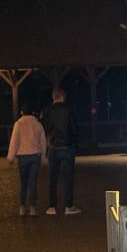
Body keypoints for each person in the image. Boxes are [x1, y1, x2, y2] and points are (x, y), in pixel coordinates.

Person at [41, 86, 81, 215]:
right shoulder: (69, 110)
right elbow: (74, 128)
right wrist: (75, 144)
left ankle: (52, 206)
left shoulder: (47, 111)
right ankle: (68, 206)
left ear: (53, 97)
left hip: (53, 147)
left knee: (52, 178)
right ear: (63, 97)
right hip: (67, 147)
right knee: (68, 178)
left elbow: (44, 128)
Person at [6, 104, 46, 217]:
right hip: (35, 156)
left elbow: (14, 141)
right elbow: (42, 142)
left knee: (23, 182)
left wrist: (11, 157)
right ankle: (33, 207)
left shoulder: (19, 124)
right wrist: (43, 156)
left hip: (23, 156)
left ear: (22, 112)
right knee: (33, 182)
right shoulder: (38, 124)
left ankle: (22, 207)